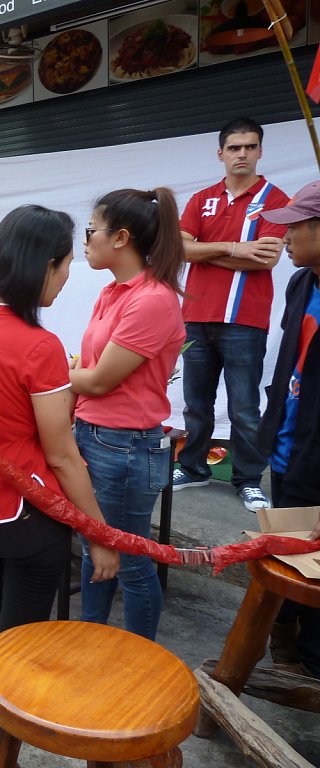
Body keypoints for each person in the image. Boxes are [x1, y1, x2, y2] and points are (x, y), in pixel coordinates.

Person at [0, 205, 119, 752]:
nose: (67, 278)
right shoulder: (40, 346)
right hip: (30, 519)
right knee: (18, 641)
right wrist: (100, 536)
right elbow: (63, 459)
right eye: (65, 267)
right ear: (44, 265)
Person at [69, 188, 186, 640]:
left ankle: (138, 664)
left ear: (120, 238)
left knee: (131, 562)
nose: (86, 241)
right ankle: (90, 644)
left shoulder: (152, 300)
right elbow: (90, 369)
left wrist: (47, 374)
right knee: (94, 549)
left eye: (91, 231)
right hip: (96, 435)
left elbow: (99, 380)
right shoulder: (112, 292)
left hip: (125, 446)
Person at [174, 117, 289, 511]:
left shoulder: (276, 200)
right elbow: (181, 249)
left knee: (243, 407)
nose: (242, 154)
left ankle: (248, 479)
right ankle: (193, 468)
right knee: (195, 403)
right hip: (197, 315)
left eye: (250, 147)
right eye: (235, 147)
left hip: (245, 319)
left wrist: (207, 249)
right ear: (220, 153)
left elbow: (266, 258)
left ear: (260, 151)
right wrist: (238, 248)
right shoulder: (200, 198)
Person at [257, 183, 320, 678]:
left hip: (317, 453)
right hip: (288, 444)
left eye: (296, 224)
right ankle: (284, 638)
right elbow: (289, 364)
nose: (286, 233)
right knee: (288, 551)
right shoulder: (301, 281)